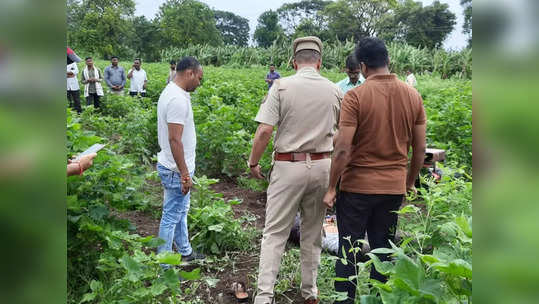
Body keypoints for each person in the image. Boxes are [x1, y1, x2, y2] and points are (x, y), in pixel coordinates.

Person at [322, 37, 427, 304]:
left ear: (364, 66)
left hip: (357, 188)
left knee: (348, 250)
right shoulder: (413, 96)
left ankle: (344, 300)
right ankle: (381, 299)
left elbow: (343, 148)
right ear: (388, 61)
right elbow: (419, 148)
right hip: (392, 189)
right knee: (384, 252)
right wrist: (410, 182)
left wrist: (332, 187)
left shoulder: (355, 97)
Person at [248, 36, 342, 304]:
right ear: (320, 62)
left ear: (293, 61)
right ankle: (310, 292)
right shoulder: (335, 90)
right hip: (323, 166)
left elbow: (265, 130)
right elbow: (343, 135)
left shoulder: (281, 86)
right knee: (313, 234)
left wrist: (253, 162)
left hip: (289, 166)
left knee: (275, 234)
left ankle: (265, 297)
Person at [156, 56, 205, 264]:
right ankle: (164, 265)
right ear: (190, 73)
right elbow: (174, 139)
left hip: (177, 167)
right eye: (199, 78)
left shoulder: (175, 92)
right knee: (170, 215)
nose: (199, 83)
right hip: (176, 169)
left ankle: (185, 252)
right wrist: (184, 173)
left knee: (180, 211)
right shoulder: (176, 98)